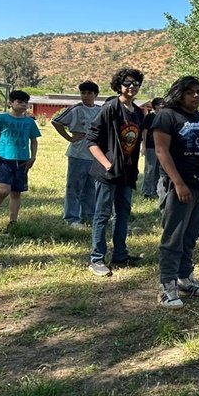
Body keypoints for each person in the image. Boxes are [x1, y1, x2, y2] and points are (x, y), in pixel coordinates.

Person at [153, 76, 199, 308]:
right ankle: (167, 285)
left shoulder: (198, 117)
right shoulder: (166, 116)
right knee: (174, 236)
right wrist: (178, 183)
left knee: (190, 235)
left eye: (198, 91)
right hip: (178, 185)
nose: (196, 95)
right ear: (179, 94)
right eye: (190, 92)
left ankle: (185, 278)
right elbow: (161, 151)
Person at [85, 68, 145, 277]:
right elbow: (91, 140)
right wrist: (106, 163)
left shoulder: (138, 112)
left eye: (136, 83)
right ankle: (96, 259)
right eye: (127, 83)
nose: (132, 86)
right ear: (119, 86)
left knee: (123, 214)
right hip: (107, 172)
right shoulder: (110, 108)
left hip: (126, 172)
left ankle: (120, 255)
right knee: (102, 214)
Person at [0, 90, 41, 234]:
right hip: (4, 159)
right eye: (20, 102)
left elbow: (34, 140)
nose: (23, 105)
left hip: (22, 161)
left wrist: (33, 157)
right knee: (4, 190)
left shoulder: (29, 122)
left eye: (26, 102)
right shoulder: (2, 118)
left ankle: (13, 223)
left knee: (16, 193)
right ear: (11, 103)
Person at [51, 81, 100, 228]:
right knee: (74, 187)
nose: (86, 96)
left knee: (91, 187)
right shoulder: (76, 109)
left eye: (89, 93)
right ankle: (71, 218)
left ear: (96, 95)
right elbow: (57, 122)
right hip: (78, 153)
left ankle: (89, 215)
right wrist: (69, 137)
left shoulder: (100, 110)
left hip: (95, 155)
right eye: (83, 93)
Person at [141, 97, 164, 199]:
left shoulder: (164, 117)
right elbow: (145, 132)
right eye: (161, 104)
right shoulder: (150, 117)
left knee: (158, 170)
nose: (163, 106)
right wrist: (144, 146)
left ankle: (155, 191)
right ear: (156, 106)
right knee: (150, 169)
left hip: (162, 147)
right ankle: (147, 191)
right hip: (151, 146)